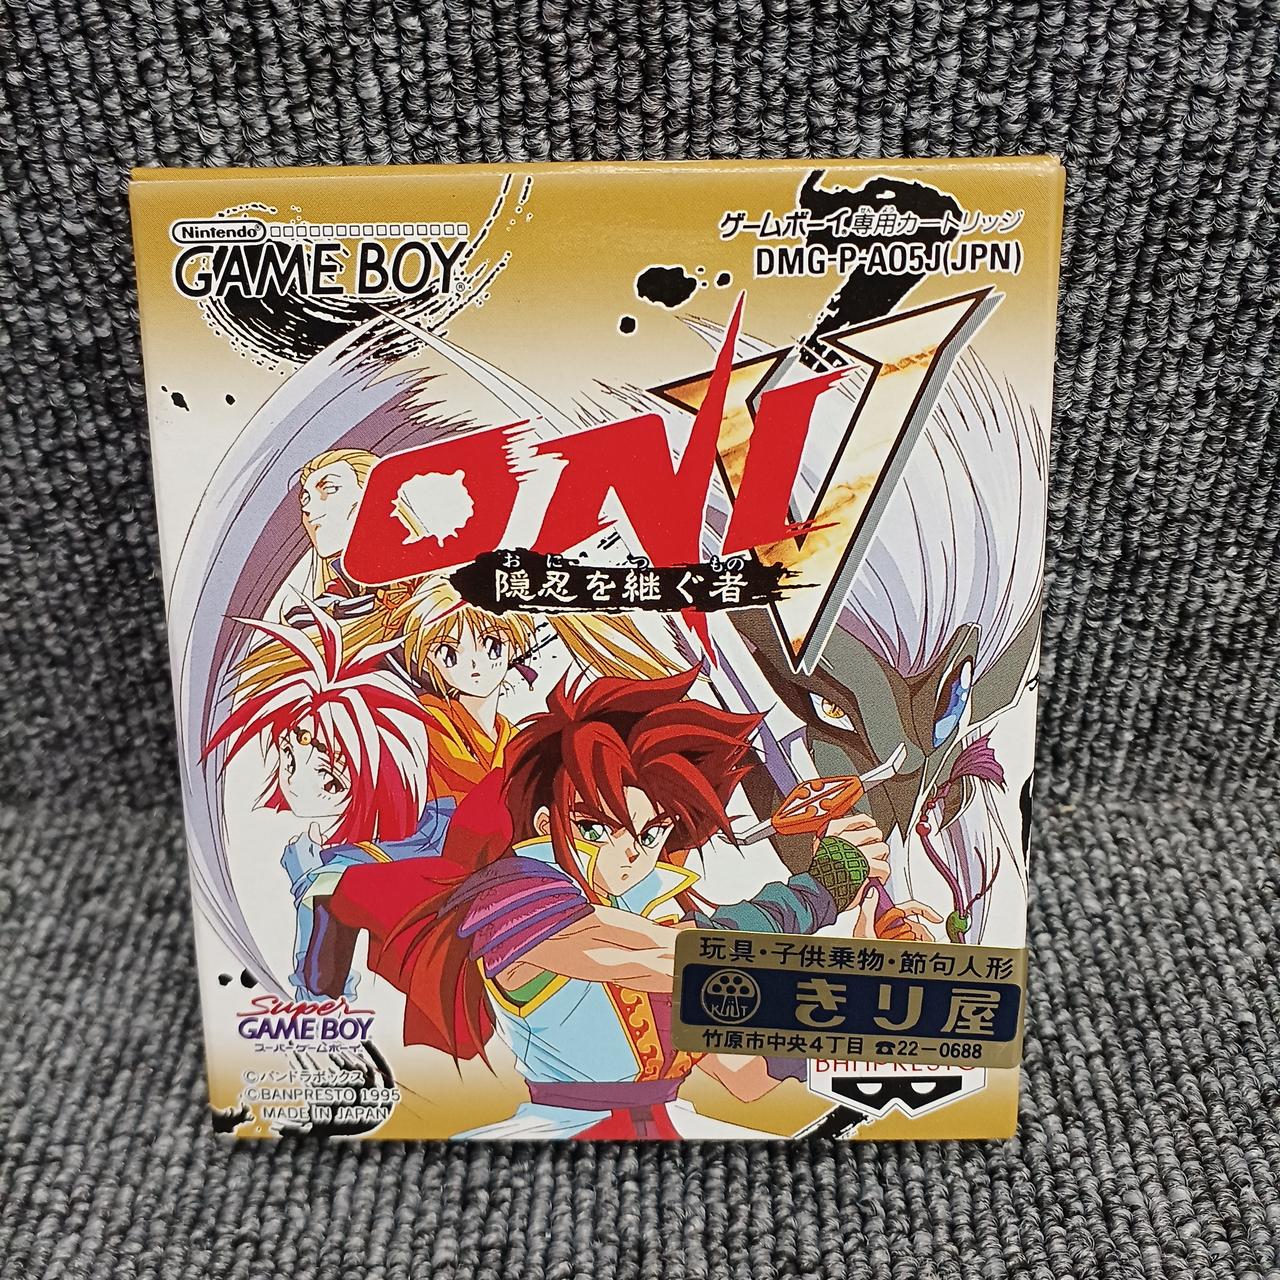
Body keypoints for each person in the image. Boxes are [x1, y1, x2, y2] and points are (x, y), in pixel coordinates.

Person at [305, 667, 917, 1138]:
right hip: (563, 1130)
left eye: (649, 835)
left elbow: (745, 1075)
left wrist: (865, 976)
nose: (629, 854)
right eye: (600, 826)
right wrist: (825, 902)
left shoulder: (658, 910)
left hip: (674, 1126)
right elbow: (673, 959)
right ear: (548, 820)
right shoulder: (514, 892)